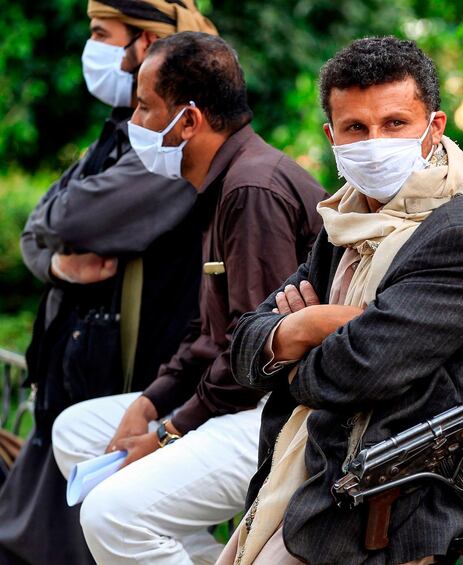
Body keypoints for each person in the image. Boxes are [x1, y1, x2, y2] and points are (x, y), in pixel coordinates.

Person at [223, 36, 463, 565]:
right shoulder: (346, 221)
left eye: (394, 124)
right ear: (332, 136)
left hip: (394, 514)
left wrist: (299, 358)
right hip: (320, 481)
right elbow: (245, 345)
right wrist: (306, 326)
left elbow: (355, 370)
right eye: (356, 128)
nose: (374, 142)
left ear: (434, 127)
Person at [51, 32, 327, 564]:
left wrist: (169, 431)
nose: (134, 122)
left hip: (286, 416)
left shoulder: (252, 191)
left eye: (145, 107)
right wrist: (150, 401)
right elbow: (209, 336)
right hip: (244, 399)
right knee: (77, 433)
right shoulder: (222, 183)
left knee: (110, 515)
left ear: (190, 121)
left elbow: (256, 358)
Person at [0, 2, 216, 564]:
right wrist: (55, 264)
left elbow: (68, 218)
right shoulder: (122, 134)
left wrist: (52, 234)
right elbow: (40, 230)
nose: (103, 53)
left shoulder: (170, 147)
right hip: (76, 378)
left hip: (134, 382)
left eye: (105, 35)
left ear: (145, 44)